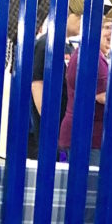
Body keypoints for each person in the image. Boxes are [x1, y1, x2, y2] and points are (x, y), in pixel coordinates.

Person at [57, 17, 112, 165]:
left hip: (78, 136)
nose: (111, 33)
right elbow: (104, 97)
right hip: (86, 139)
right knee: (88, 186)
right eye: (107, 27)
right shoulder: (93, 57)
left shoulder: (85, 53)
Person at [27, 11, 81, 161]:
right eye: (78, 15)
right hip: (50, 124)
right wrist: (48, 119)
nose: (81, 20)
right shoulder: (46, 44)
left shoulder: (69, 48)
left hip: (63, 123)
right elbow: (37, 83)